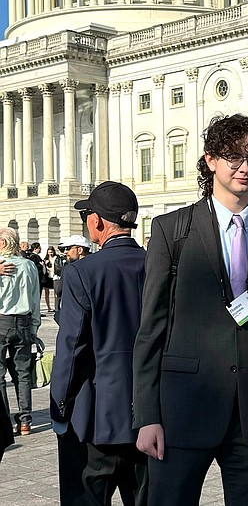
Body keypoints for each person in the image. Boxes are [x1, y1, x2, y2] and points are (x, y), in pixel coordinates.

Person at [133, 114, 248, 506]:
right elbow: (150, 328)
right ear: (210, 160)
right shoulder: (171, 229)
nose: (246, 167)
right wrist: (146, 415)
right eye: (234, 157)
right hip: (183, 408)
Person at [51, 181, 148, 506]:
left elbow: (71, 348)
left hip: (94, 419)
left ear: (97, 222)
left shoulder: (82, 272)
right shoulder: (159, 267)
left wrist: (59, 407)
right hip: (148, 416)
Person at [0, 227, 40, 435]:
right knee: (23, 374)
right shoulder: (29, 265)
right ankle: (25, 421)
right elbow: (35, 298)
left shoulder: (0, 265)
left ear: (3, 243)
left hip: (1, 320)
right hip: (23, 321)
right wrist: (34, 327)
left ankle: (5, 421)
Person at [43, 245, 57, 312]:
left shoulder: (56, 258)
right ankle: (48, 307)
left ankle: (55, 306)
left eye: (51, 252)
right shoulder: (45, 259)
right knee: (46, 292)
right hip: (47, 276)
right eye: (49, 252)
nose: (50, 254)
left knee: (55, 292)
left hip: (54, 276)